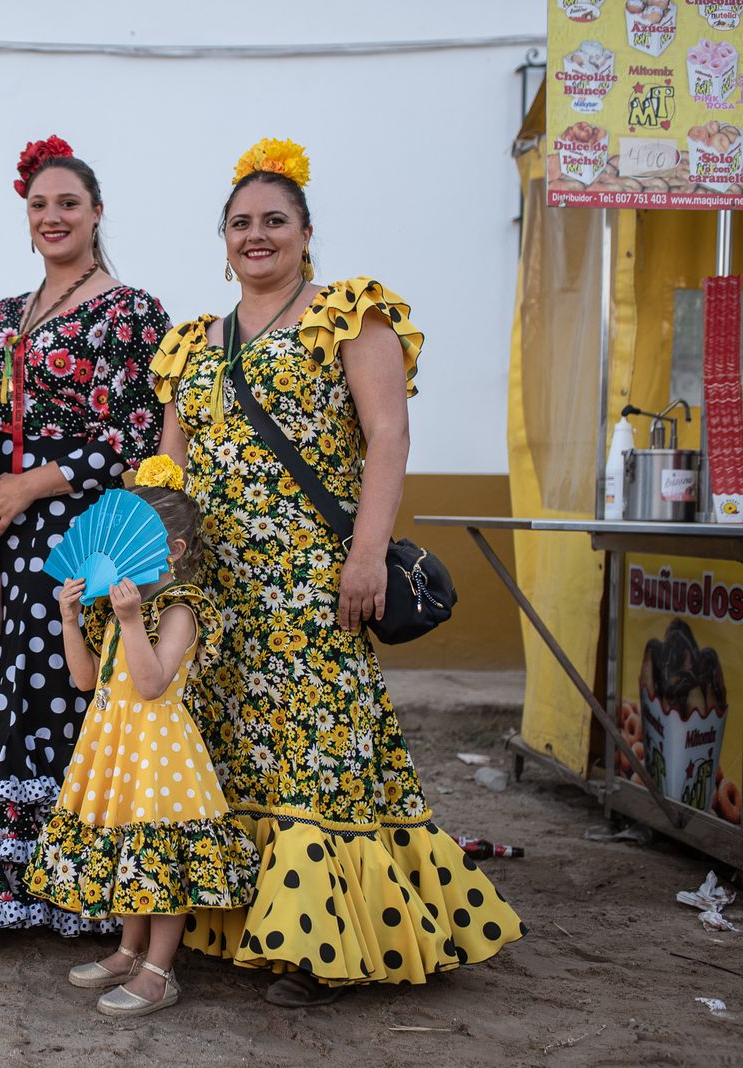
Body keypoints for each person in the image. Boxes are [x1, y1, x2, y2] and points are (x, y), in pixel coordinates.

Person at [153, 138, 524, 1006]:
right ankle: (243, 923)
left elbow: (388, 436)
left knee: (319, 753)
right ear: (224, 240)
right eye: (240, 223)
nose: (257, 235)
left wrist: (365, 551)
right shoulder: (189, 344)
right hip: (217, 591)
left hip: (315, 582)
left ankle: (323, 947)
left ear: (306, 230)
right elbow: (166, 473)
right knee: (233, 752)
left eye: (274, 220)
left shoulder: (348, 315)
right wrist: (150, 572)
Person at [0, 135, 171, 935]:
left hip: (83, 525)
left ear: (97, 212)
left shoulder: (132, 311)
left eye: (68, 203)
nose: (52, 216)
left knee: (74, 686)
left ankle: (85, 891)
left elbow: (138, 430)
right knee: (9, 680)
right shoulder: (5, 314)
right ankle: (10, 885)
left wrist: (29, 484)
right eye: (39, 204)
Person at [28, 457, 258, 1017]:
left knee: (162, 856)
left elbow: (153, 683)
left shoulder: (179, 608)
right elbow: (86, 680)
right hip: (114, 745)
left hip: (161, 754)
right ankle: (129, 950)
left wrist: (133, 621)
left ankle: (159, 972)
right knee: (135, 854)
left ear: (172, 552)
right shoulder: (114, 608)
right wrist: (70, 620)